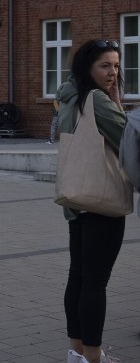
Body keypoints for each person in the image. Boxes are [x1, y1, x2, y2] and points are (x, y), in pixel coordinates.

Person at [56, 40, 125, 363]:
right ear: (88, 68)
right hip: (102, 200)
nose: (113, 73)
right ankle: (95, 356)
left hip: (76, 198)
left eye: (116, 66)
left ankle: (77, 350)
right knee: (96, 281)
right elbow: (128, 141)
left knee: (79, 277)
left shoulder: (69, 97)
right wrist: (116, 103)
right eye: (105, 66)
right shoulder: (97, 99)